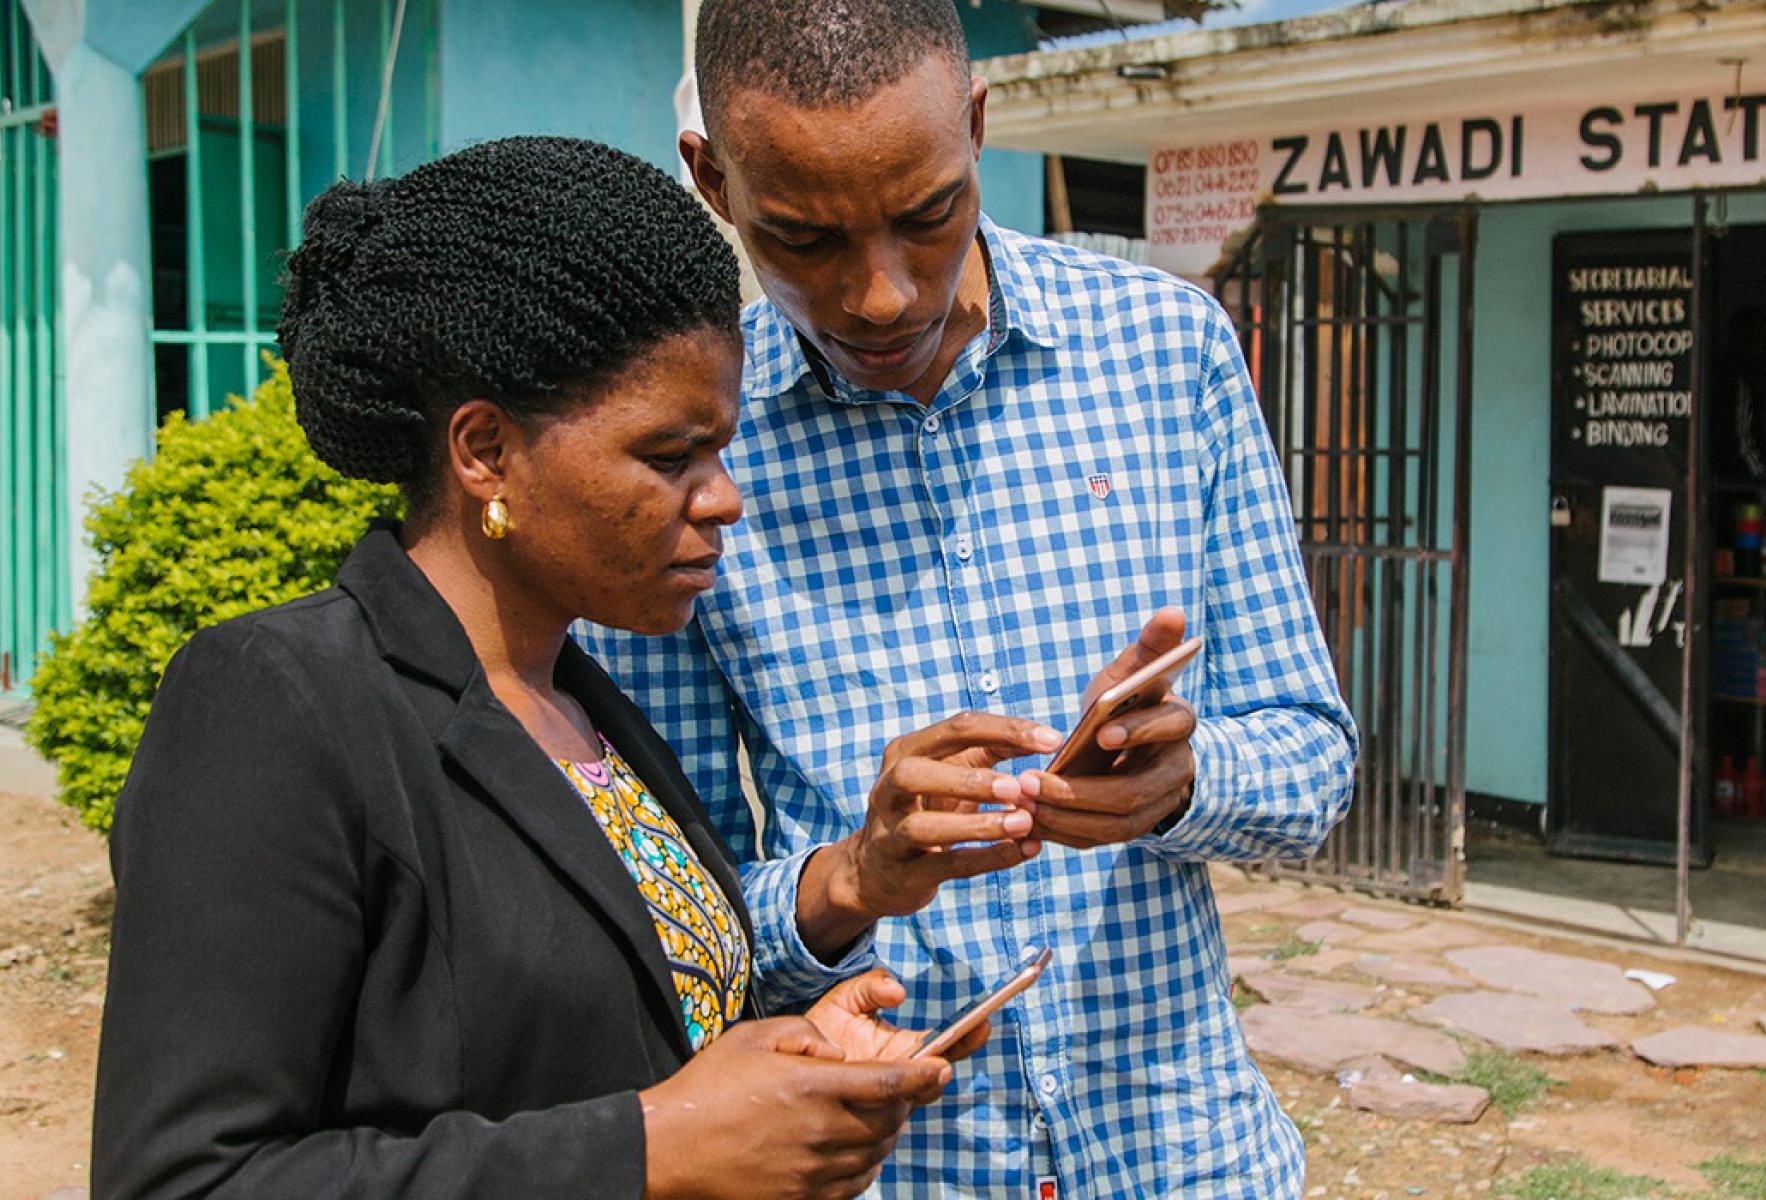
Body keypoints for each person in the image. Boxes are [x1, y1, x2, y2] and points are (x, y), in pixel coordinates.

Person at [91, 136, 984, 1200]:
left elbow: (609, 1046)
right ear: (483, 451)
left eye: (720, 450)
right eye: (667, 456)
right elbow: (182, 1181)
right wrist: (652, 1148)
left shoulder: (588, 708)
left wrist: (779, 1069)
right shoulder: (277, 703)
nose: (722, 497)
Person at [578, 2, 1361, 1195]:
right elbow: (671, 929)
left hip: (1187, 1158)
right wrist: (850, 878)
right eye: (802, 237)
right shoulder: (691, 459)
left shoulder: (1166, 355)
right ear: (711, 181)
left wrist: (1177, 786)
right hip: (903, 1169)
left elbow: (1310, 760)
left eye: (926, 214)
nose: (880, 295)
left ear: (979, 127)